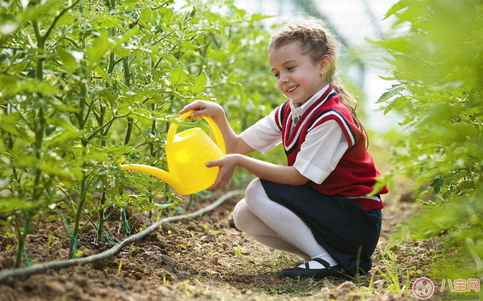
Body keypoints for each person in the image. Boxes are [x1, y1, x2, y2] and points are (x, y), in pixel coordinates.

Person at [179, 17, 388, 280]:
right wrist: (218, 116)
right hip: (332, 213)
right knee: (243, 215)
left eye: (290, 68)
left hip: (356, 222)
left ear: (323, 65)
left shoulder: (331, 118)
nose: (283, 79)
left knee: (257, 189)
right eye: (277, 73)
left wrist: (240, 162)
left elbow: (299, 176)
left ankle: (326, 261)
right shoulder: (289, 112)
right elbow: (235, 146)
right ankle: (324, 258)